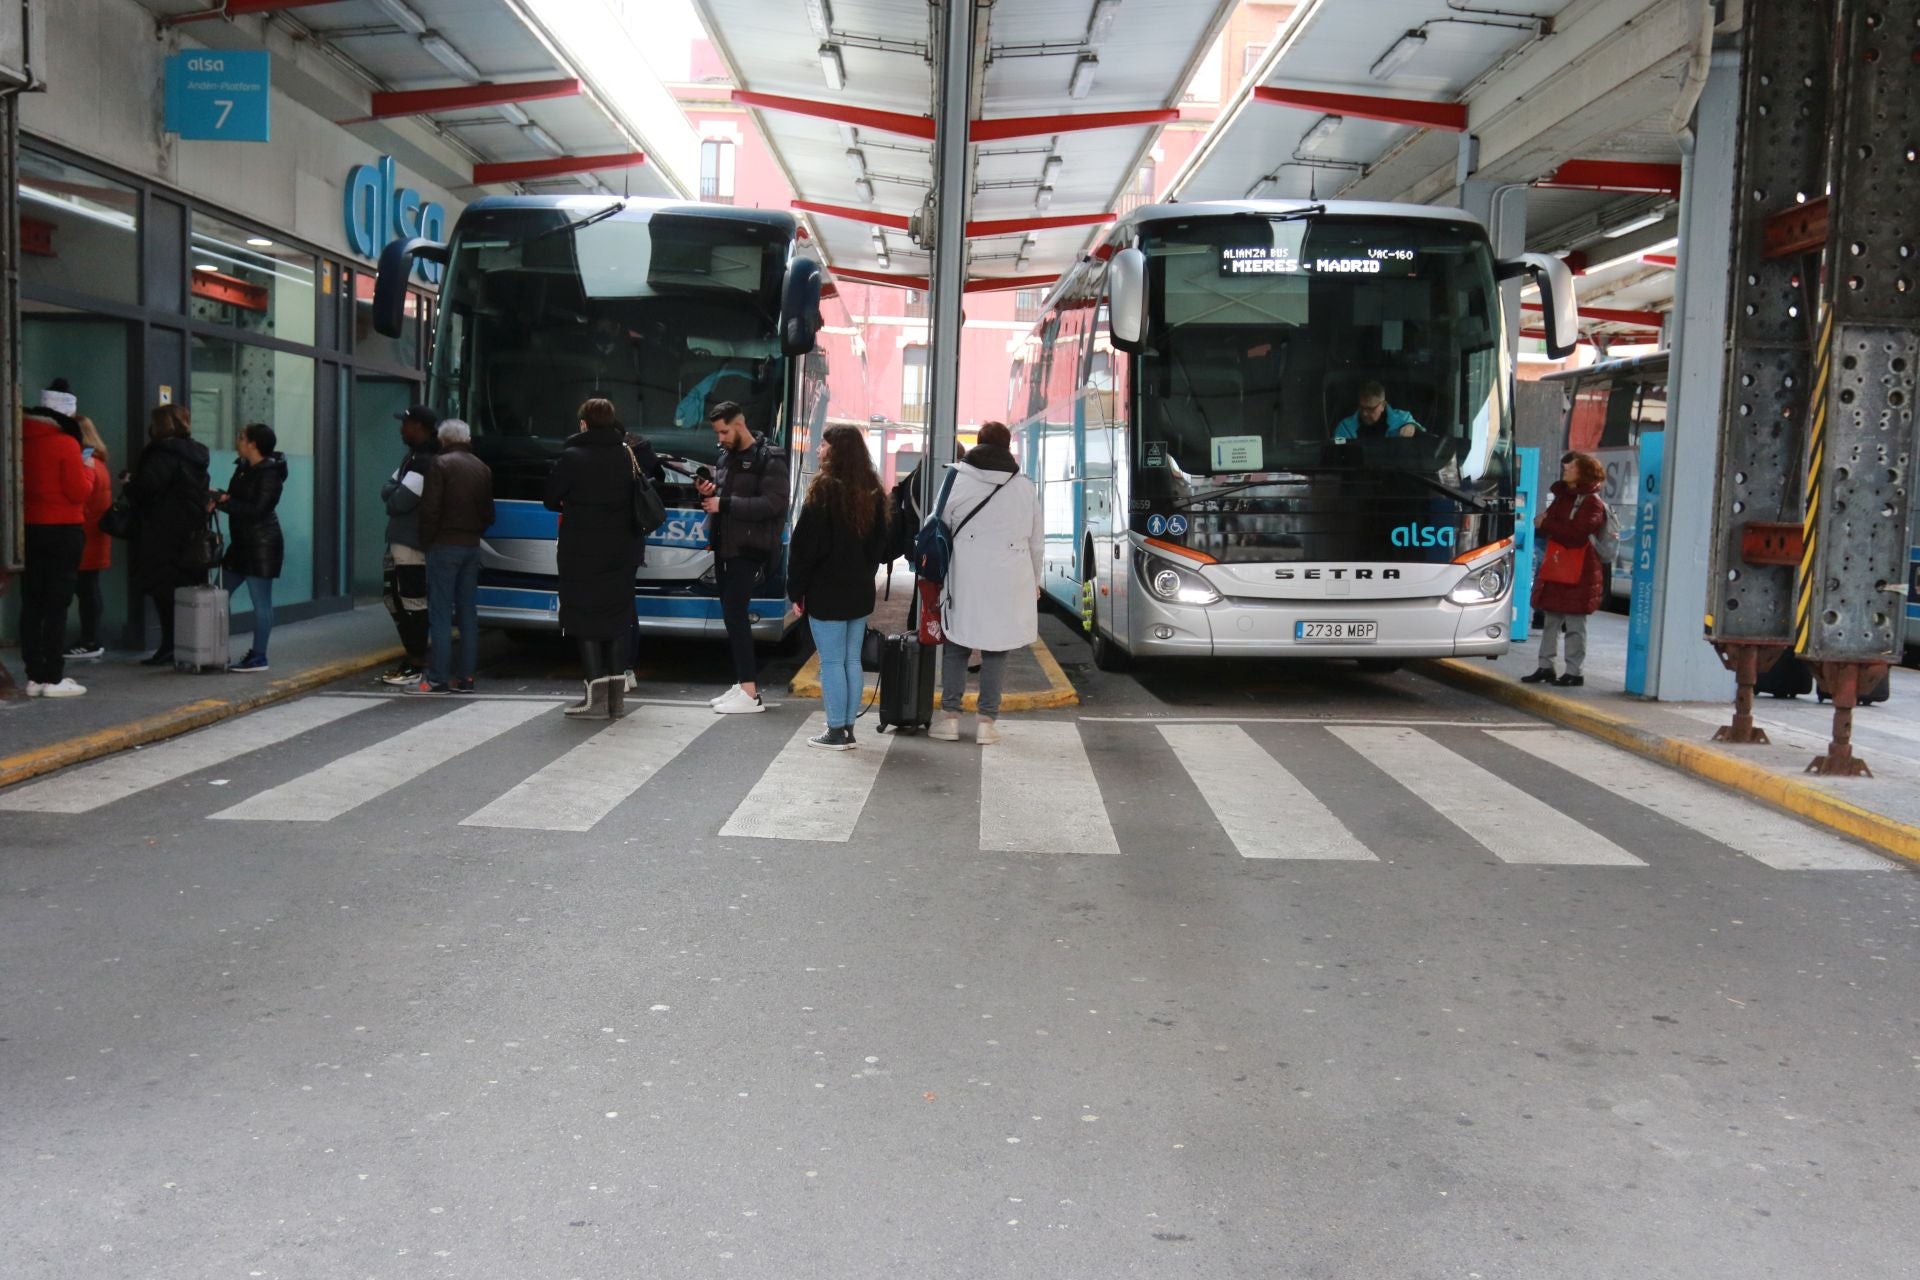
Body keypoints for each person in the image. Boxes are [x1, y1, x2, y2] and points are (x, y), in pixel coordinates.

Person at [544, 397, 662, 719]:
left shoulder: (572, 457)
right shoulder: (627, 454)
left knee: (584, 619)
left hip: (581, 552)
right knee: (617, 619)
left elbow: (550, 498)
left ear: (583, 423)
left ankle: (593, 698)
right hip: (624, 551)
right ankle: (615, 701)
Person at [928, 421, 1043, 746]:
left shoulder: (956, 478)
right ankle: (986, 723)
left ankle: (950, 719)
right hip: (1010, 577)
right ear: (1007, 447)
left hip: (965, 572)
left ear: (977, 443)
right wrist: (1034, 581)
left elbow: (938, 526)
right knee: (996, 649)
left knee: (956, 645)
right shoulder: (1024, 486)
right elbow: (1036, 541)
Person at [787, 425, 889, 749]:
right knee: (851, 660)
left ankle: (835, 730)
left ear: (836, 451)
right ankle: (847, 728)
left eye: (823, 445)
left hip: (826, 591)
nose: (818, 450)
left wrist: (796, 590)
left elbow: (804, 547)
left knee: (831, 662)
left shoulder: (824, 490)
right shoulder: (872, 489)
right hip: (859, 590)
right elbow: (881, 544)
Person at [696, 400, 789, 714]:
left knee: (736, 614)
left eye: (723, 431)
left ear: (739, 424)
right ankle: (742, 684)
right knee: (731, 616)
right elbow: (724, 497)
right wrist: (709, 493)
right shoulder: (725, 456)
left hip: (749, 549)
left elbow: (774, 504)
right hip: (725, 545)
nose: (720, 437)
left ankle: (749, 692)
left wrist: (724, 503)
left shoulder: (770, 457)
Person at [19, 381, 96, 697]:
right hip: (63, 530)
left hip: (29, 529)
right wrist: (87, 468)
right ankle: (53, 677)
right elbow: (79, 491)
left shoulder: (21, 439)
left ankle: (34, 676)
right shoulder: (66, 444)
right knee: (56, 604)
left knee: (31, 604)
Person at [125, 402, 210, 667]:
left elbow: (147, 489)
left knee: (164, 592)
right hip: (189, 532)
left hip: (161, 532)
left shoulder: (160, 454)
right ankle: (188, 644)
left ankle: (169, 647)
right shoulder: (197, 454)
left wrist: (129, 484)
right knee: (184, 590)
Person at [415, 418, 495, 695]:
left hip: (443, 545)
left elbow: (430, 509)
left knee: (439, 613)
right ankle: (466, 677)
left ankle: (437, 677)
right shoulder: (481, 467)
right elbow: (488, 513)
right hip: (471, 545)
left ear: (444, 440)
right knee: (467, 613)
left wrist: (426, 540)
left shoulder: (440, 464)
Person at [1523, 451, 1609, 688]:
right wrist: (1546, 524)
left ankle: (1574, 671)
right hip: (1559, 564)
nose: (1565, 469)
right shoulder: (1563, 497)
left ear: (1583, 471)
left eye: (1570, 467)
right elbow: (1553, 526)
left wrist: (1547, 523)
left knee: (1574, 623)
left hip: (1580, 569)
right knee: (1551, 618)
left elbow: (1576, 534)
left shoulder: (1592, 502)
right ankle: (1545, 666)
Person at [214, 422, 287, 673]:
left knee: (261, 601)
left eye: (241, 437)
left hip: (261, 544)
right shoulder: (245, 468)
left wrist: (225, 503)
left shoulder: (269, 473)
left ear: (253, 444)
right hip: (243, 543)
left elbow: (257, 509)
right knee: (218, 592)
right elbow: (242, 501)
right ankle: (214, 647)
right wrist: (223, 498)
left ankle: (259, 656)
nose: (237, 441)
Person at [377, 405, 440, 686]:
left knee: (411, 599)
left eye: (406, 423)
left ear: (419, 427)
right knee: (393, 597)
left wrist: (396, 490)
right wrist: (396, 489)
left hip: (412, 541)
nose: (401, 428)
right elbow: (387, 490)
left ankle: (416, 661)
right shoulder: (411, 458)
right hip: (400, 539)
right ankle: (415, 656)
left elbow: (398, 501)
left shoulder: (424, 461)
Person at [65, 414, 115, 663]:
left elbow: (81, 497)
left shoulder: (87, 462)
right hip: (95, 535)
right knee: (89, 590)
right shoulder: (98, 461)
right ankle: (90, 639)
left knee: (86, 591)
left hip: (85, 534)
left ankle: (89, 640)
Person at [1333, 381, 1422, 440]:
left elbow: (1425, 437)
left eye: (1370, 409)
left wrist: (1412, 427)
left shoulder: (1403, 419)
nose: (1364, 413)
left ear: (1383, 405)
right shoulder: (1344, 428)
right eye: (1362, 407)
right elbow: (1334, 455)